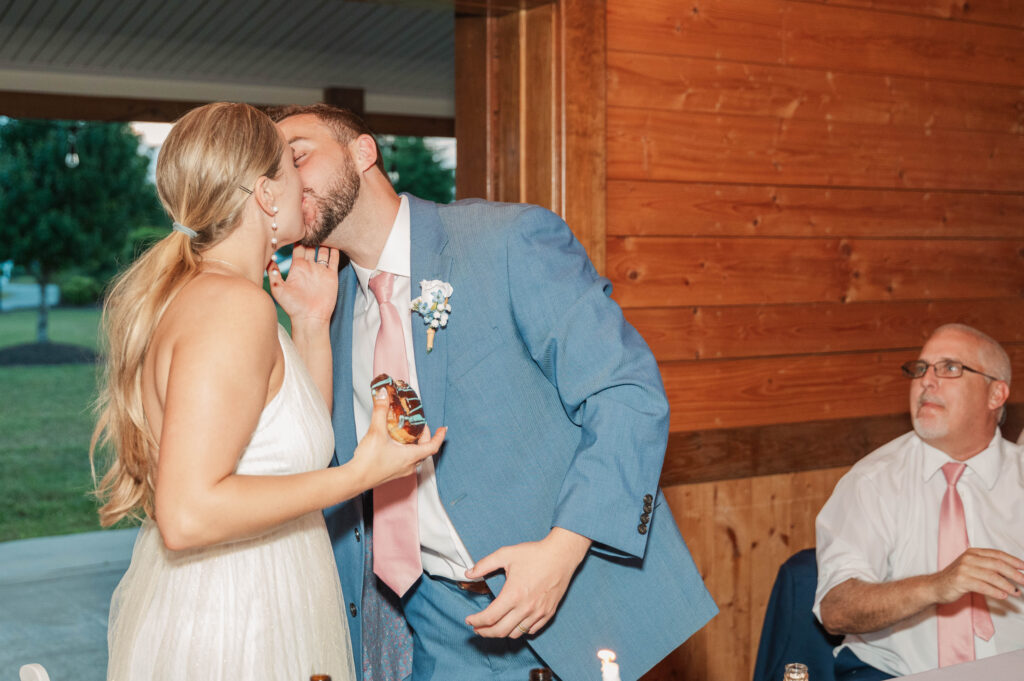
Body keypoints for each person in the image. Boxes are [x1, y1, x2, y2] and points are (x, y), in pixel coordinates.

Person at [272, 103, 717, 681]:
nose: (286, 179)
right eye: (274, 172)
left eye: (299, 155)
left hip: (571, 601)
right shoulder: (326, 310)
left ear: (363, 152)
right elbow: (325, 469)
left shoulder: (506, 240)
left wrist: (561, 553)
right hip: (435, 619)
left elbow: (626, 392)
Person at [91, 102, 445, 681]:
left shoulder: (223, 295)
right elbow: (187, 514)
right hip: (237, 620)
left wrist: (310, 323)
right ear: (265, 193)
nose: (303, 183)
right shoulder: (232, 307)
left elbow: (289, 450)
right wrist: (362, 474)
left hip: (265, 593)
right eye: (291, 167)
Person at [814, 323, 1024, 679]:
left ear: (996, 394)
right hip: (898, 673)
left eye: (950, 368)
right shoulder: (873, 481)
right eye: (921, 368)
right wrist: (938, 585)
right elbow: (836, 609)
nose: (927, 380)